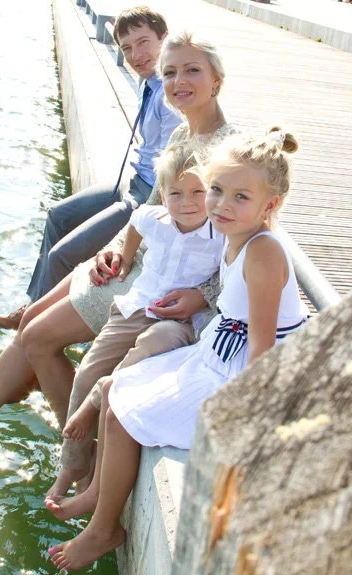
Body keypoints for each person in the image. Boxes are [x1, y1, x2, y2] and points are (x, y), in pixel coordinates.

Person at [0, 29, 236, 477]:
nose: (178, 81)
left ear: (217, 80)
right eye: (169, 73)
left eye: (191, 71)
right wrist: (113, 250)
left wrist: (202, 294)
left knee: (38, 338)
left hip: (169, 283)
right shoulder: (183, 134)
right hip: (143, 260)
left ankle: (79, 454)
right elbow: (151, 211)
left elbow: (246, 245)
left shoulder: (232, 150)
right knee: (31, 322)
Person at [48, 128, 308, 570]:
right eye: (218, 191)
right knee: (115, 386)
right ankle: (96, 495)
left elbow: (265, 352)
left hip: (238, 366)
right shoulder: (235, 235)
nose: (222, 205)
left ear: (270, 205)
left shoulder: (264, 252)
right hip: (221, 345)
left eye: (240, 197)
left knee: (125, 413)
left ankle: (103, 530)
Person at [46, 142, 222, 520]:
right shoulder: (154, 218)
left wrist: (201, 296)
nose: (188, 202)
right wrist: (124, 259)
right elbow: (134, 227)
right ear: (163, 193)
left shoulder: (220, 232)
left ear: (211, 191)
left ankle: (95, 406)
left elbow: (229, 274)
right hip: (139, 305)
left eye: (198, 192)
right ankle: (74, 464)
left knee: (149, 347)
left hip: (181, 322)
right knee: (90, 367)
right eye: (176, 193)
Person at [0, 5, 182, 329]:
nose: (136, 54)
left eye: (144, 42)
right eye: (127, 48)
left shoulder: (172, 93)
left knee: (61, 256)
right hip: (131, 180)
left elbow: (176, 166)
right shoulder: (150, 81)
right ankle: (33, 304)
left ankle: (32, 332)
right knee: (57, 216)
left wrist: (145, 218)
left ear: (165, 38)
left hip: (147, 196)